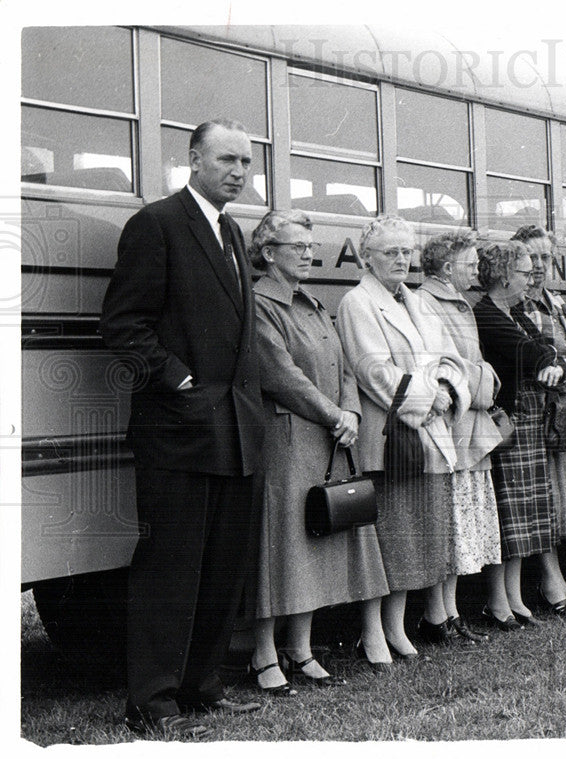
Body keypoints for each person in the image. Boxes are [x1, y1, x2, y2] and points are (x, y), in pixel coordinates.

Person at [101, 119, 264, 739]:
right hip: (179, 429)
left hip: (234, 430)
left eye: (247, 163)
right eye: (227, 159)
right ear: (194, 159)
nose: (239, 172)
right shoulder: (158, 224)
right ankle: (152, 701)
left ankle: (201, 686)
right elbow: (122, 325)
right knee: (171, 565)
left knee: (222, 564)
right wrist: (177, 380)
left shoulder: (230, 229)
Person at [248, 210, 391, 690]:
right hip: (290, 440)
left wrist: (350, 412)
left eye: (311, 246)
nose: (309, 254)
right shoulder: (261, 304)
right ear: (269, 253)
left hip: (328, 437)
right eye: (298, 247)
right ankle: (264, 655)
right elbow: (280, 375)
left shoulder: (310, 301)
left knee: (315, 545)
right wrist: (337, 416)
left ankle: (301, 649)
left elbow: (345, 367)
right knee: (283, 548)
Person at [336, 215, 471, 660]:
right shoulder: (359, 303)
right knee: (390, 539)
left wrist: (448, 390)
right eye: (390, 251)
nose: (400, 258)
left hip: (428, 433)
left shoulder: (417, 301)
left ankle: (398, 629)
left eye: (406, 251)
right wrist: (431, 397)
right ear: (366, 256)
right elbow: (372, 370)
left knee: (417, 537)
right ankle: (374, 633)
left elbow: (449, 357)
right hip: (391, 437)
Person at [415, 230, 504, 642]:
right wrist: (486, 379)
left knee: (461, 526)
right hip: (455, 427)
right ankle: (438, 615)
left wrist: (481, 374)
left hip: (468, 426)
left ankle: (449, 613)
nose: (477, 270)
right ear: (448, 267)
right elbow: (454, 367)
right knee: (451, 522)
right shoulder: (430, 302)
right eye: (470, 263)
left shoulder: (456, 302)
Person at [474, 241, 566, 628]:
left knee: (523, 513)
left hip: (523, 422)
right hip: (506, 423)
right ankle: (499, 600)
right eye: (525, 272)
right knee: (509, 513)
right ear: (503, 275)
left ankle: (513, 596)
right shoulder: (487, 312)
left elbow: (546, 348)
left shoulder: (511, 311)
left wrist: (553, 362)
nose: (531, 279)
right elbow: (529, 350)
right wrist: (549, 362)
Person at [511, 224, 566, 615]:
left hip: (563, 411)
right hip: (535, 411)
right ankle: (550, 579)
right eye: (532, 257)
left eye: (546, 257)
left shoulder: (555, 303)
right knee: (544, 495)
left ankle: (554, 574)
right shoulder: (518, 304)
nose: (540, 265)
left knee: (560, 495)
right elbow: (529, 355)